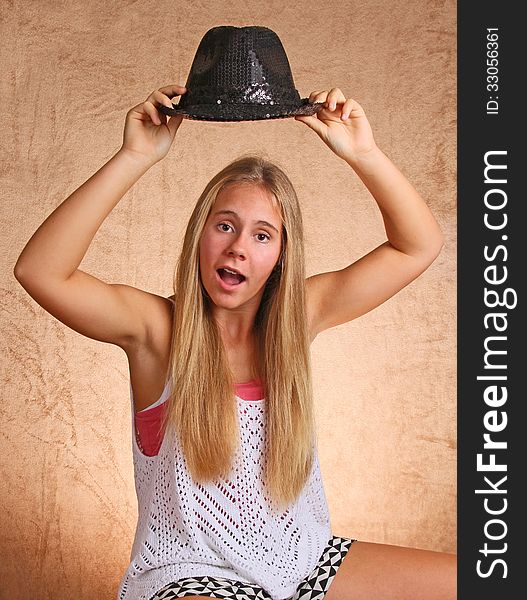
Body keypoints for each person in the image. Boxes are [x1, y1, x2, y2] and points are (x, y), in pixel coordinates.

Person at [14, 85, 456, 600]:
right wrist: (135, 156)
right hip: (192, 574)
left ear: (281, 256)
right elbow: (40, 271)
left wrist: (363, 154)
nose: (239, 248)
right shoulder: (157, 331)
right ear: (199, 235)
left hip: (302, 559)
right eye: (225, 226)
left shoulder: (298, 319)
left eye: (262, 235)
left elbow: (417, 244)